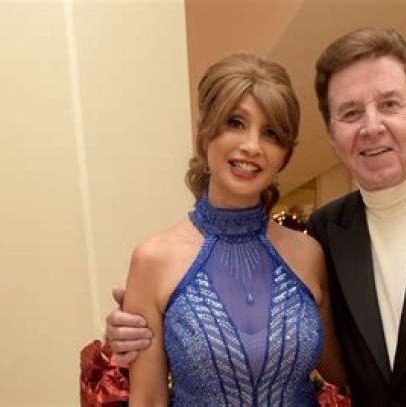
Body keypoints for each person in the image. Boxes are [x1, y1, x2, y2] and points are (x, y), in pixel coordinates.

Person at [108, 28, 406, 405]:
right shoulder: (329, 232)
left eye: (389, 104)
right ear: (333, 134)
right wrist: (136, 333)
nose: (372, 126)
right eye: (351, 112)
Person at [119, 53, 345, 405]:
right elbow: (147, 399)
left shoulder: (308, 253)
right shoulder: (153, 259)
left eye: (270, 133)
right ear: (205, 132)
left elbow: (343, 372)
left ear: (284, 154)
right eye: (235, 123)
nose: (252, 146)